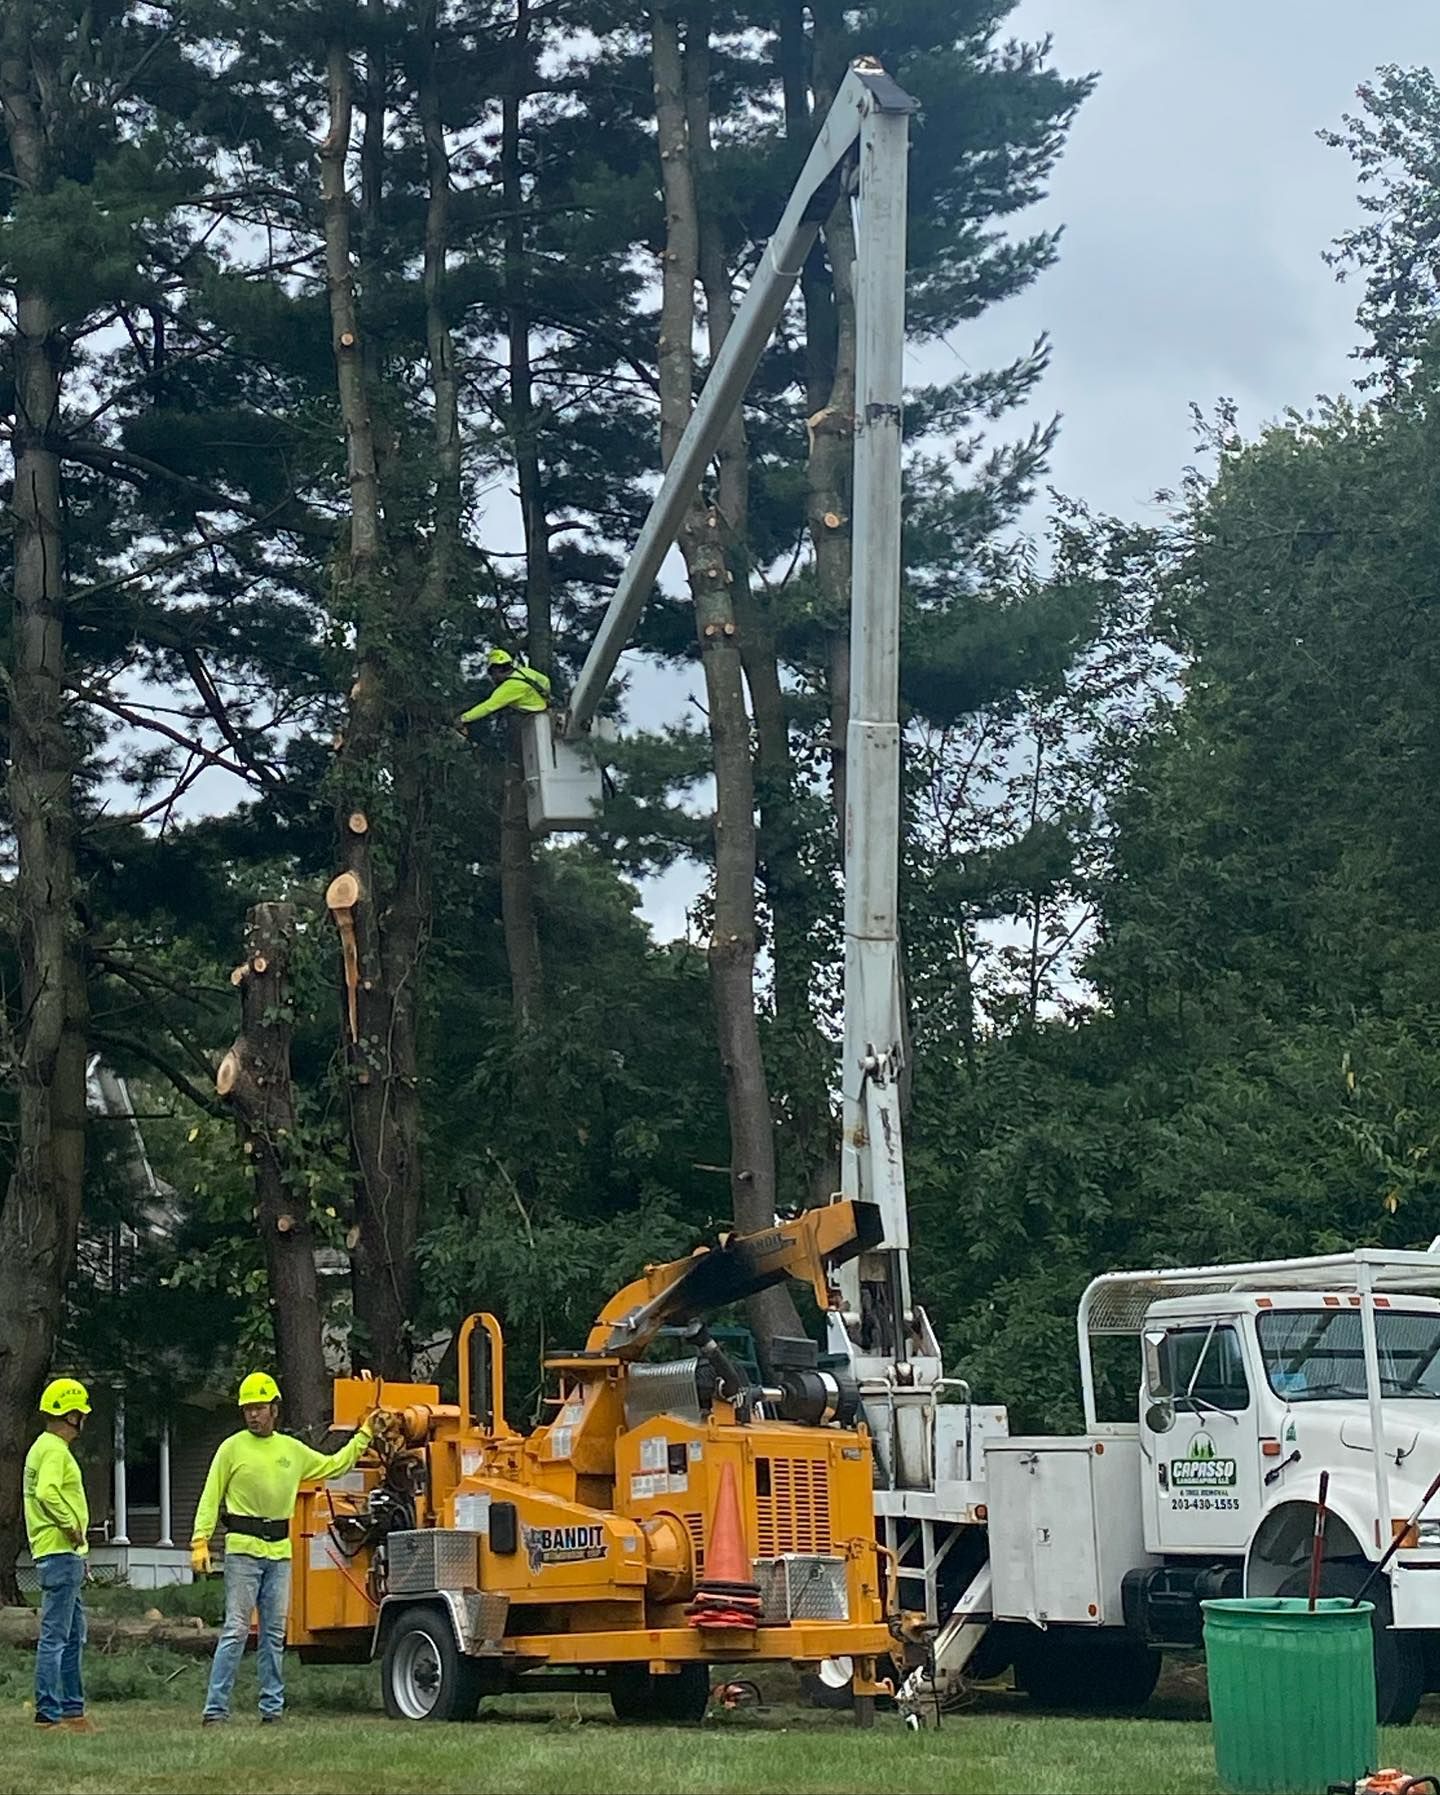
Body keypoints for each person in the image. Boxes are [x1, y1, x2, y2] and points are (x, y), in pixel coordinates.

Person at [191, 1373, 385, 1727]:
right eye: (248, 1409)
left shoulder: (291, 1450)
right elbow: (210, 1495)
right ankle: (215, 1709)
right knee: (236, 1629)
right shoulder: (231, 1448)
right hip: (243, 1549)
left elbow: (334, 1465)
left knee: (274, 1634)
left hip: (279, 1552)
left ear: (275, 1410)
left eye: (260, 1408)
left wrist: (365, 1435)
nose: (253, 1415)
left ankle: (272, 1709)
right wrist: (200, 1540)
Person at [24, 1377, 94, 1733]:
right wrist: (72, 1528)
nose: (83, 1419)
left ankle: (72, 1710)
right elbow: (47, 1493)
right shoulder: (54, 1451)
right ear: (71, 1416)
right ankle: (49, 1713)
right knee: (56, 1637)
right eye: (81, 1413)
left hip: (59, 1555)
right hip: (60, 1552)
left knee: (72, 1634)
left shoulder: (40, 1447)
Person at [457, 648, 551, 731]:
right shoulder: (525, 671)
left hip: (535, 719)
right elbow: (546, 682)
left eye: (492, 674)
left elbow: (488, 706)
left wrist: (463, 718)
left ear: (497, 670)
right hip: (547, 711)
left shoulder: (508, 688)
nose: (493, 678)